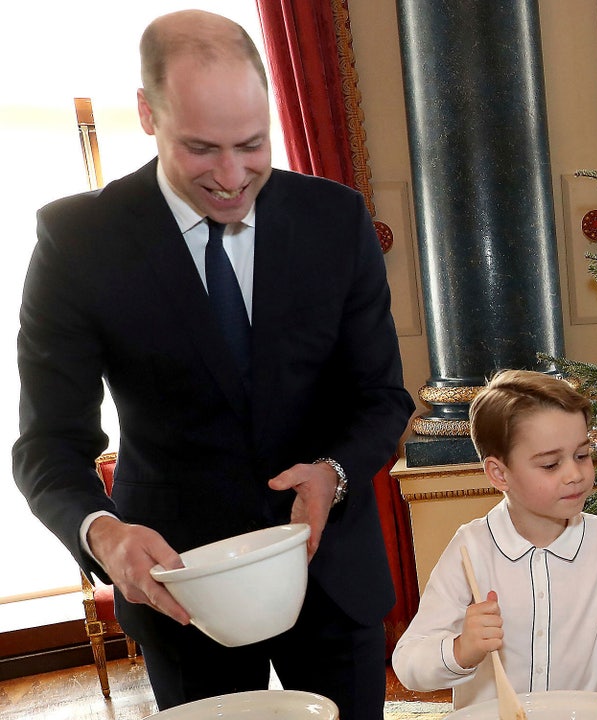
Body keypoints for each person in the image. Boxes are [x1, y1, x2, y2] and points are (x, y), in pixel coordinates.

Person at [12, 11, 414, 720]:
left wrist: (335, 472)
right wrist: (105, 533)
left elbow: (381, 397)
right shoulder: (78, 241)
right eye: (201, 149)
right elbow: (47, 445)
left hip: (331, 577)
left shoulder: (334, 219)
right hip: (179, 590)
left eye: (252, 145)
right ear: (148, 113)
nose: (232, 178)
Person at [392, 370, 597, 711]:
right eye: (550, 464)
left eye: (582, 455)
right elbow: (408, 662)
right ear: (499, 474)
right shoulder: (470, 548)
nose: (575, 474)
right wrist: (461, 650)